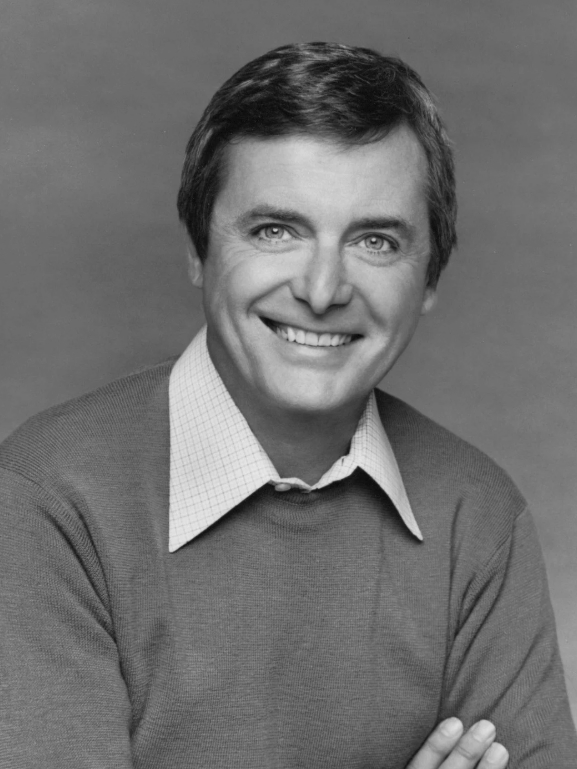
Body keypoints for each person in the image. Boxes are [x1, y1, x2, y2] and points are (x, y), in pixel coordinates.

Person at [0, 42, 575, 769]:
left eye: (375, 240)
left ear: (429, 278)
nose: (321, 288)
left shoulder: (478, 516)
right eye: (276, 231)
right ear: (199, 250)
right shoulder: (44, 500)